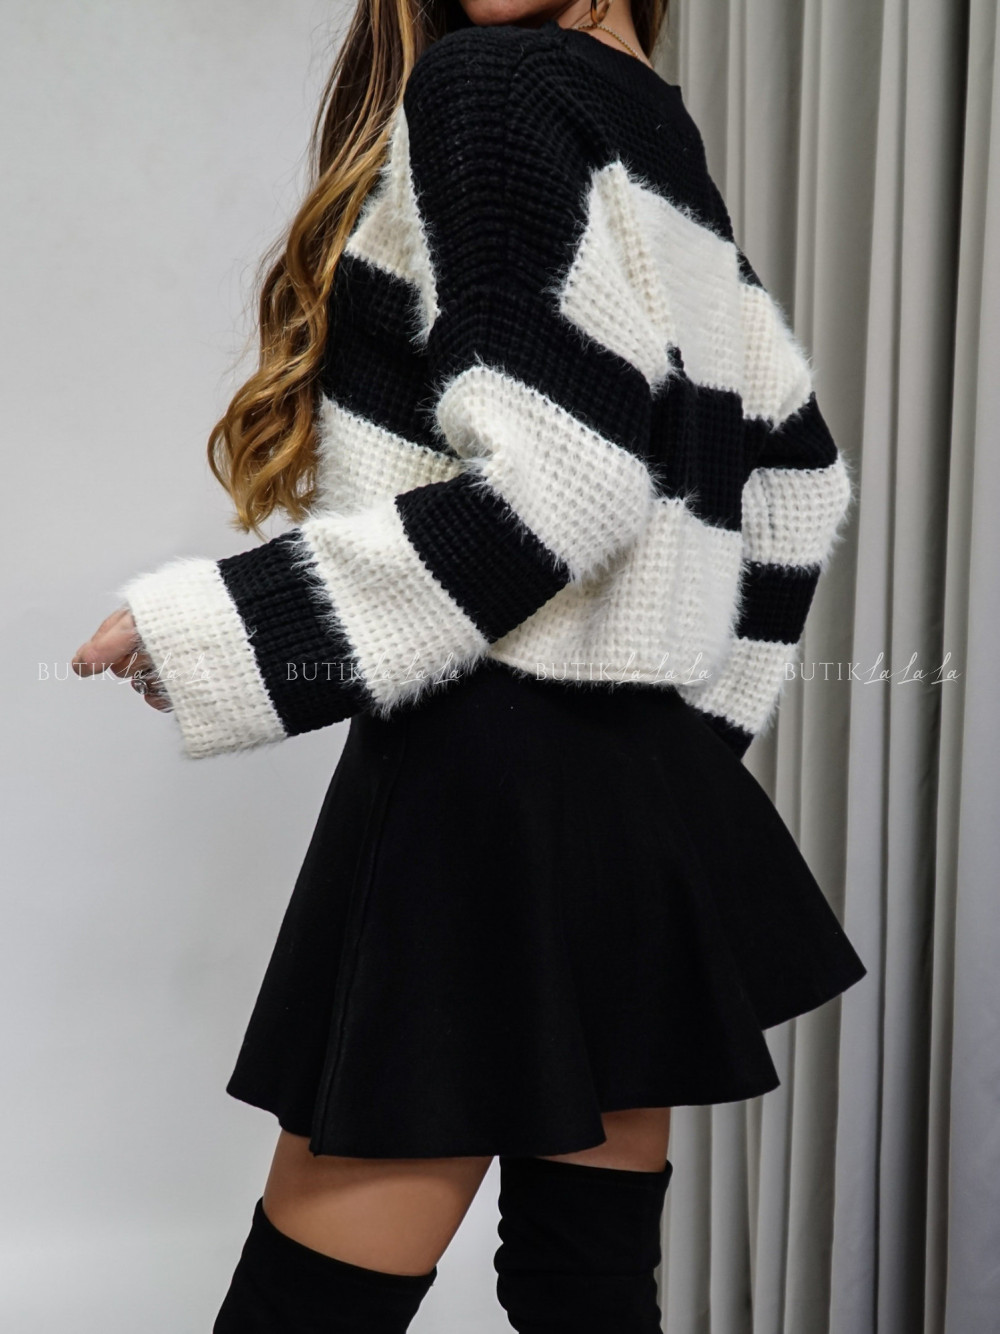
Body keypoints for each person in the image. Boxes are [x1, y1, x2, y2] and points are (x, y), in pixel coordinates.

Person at [72, 0, 867, 1329]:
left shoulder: (491, 84)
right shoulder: (644, 116)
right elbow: (799, 483)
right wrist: (667, 755)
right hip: (627, 801)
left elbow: (568, 482)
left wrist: (232, 631)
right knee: (586, 1290)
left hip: (477, 781)